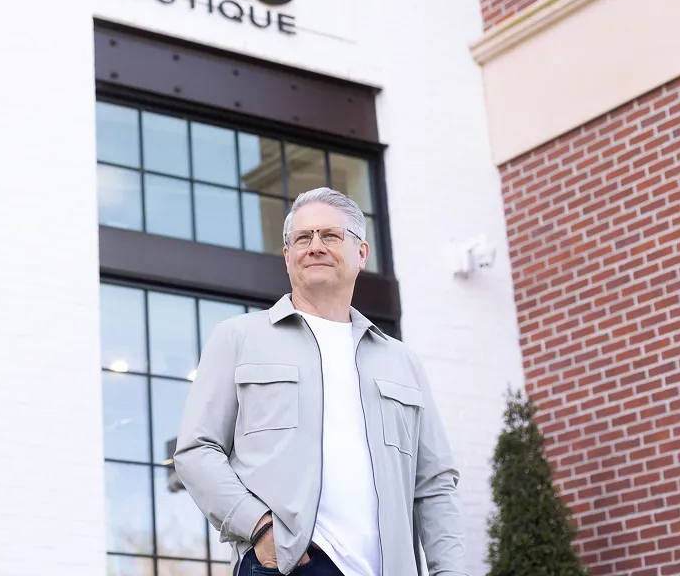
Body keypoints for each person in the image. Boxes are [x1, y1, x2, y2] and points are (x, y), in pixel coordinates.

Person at [174, 188, 467, 576]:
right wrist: (260, 530)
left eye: (330, 235)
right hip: (289, 564)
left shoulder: (401, 361)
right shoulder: (237, 339)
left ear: (361, 253)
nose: (315, 247)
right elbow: (196, 451)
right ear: (287, 255)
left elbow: (434, 485)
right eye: (302, 238)